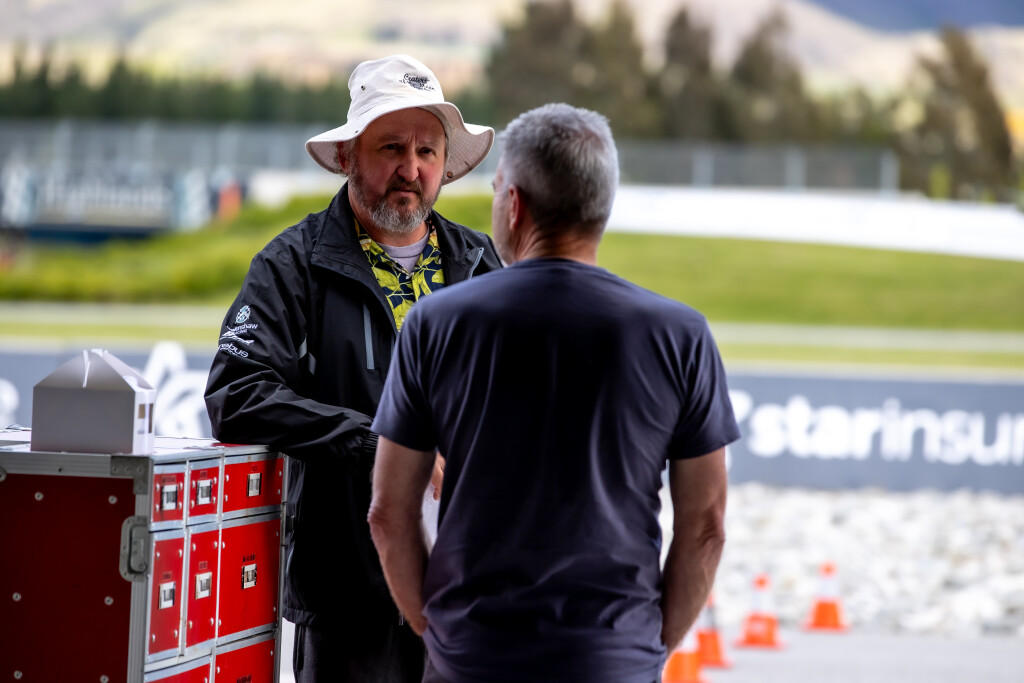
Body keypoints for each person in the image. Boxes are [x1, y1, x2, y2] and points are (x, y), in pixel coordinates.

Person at [367, 103, 741, 683]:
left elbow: (389, 514)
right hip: (614, 659)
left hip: (473, 658)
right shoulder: (680, 335)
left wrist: (437, 633)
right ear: (602, 205)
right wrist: (643, 650)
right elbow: (707, 525)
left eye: (496, 190)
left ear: (514, 204)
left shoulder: (435, 324)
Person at [204, 54, 502, 683]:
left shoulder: (482, 263)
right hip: (347, 606)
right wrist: (382, 446)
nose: (411, 168)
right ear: (347, 157)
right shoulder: (293, 264)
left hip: (471, 595)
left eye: (426, 151)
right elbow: (237, 394)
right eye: (391, 147)